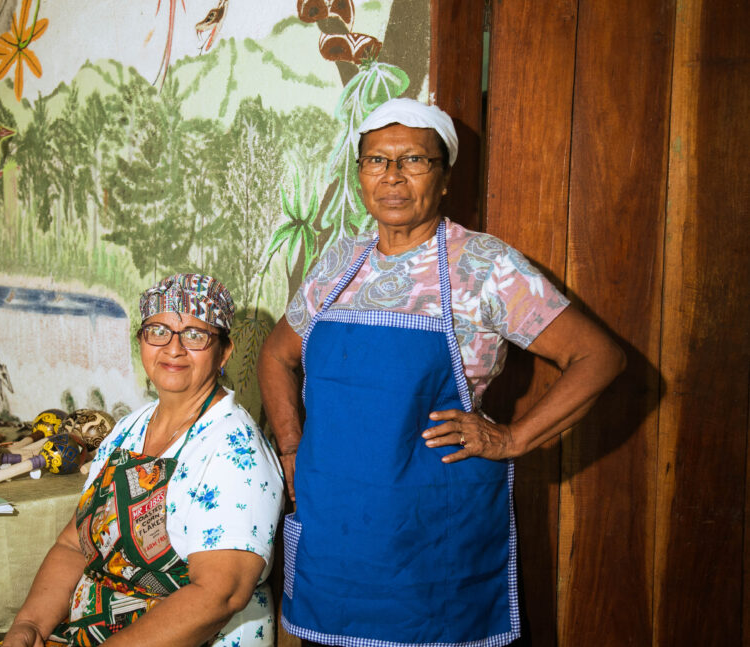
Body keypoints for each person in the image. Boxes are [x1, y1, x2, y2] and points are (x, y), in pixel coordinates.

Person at [258, 98, 626, 646]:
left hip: (429, 537)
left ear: (445, 176)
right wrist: (291, 449)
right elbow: (276, 355)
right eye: (376, 161)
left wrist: (512, 438)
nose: (393, 178)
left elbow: (599, 356)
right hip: (336, 529)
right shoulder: (339, 262)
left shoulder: (485, 267)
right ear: (360, 174)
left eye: (414, 161)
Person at [1, 273, 284, 647]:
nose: (173, 348)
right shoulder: (129, 429)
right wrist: (31, 626)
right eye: (158, 331)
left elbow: (218, 595)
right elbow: (74, 546)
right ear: (141, 342)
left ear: (224, 352)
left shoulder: (234, 449)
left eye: (195, 335)